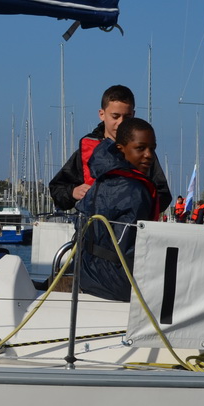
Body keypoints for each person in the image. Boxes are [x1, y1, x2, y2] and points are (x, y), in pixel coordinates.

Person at [75, 117, 161, 301]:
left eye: (152, 149)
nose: (149, 155)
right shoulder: (135, 191)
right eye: (141, 148)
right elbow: (131, 248)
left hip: (88, 276)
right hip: (117, 286)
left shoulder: (102, 181)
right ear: (121, 149)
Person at [48, 85, 172, 212]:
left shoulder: (143, 151)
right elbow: (57, 188)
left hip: (132, 222)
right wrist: (73, 192)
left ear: (133, 115)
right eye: (115, 116)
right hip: (93, 221)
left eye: (127, 117)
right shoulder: (88, 149)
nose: (121, 122)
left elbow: (163, 194)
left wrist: (136, 200)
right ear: (102, 114)